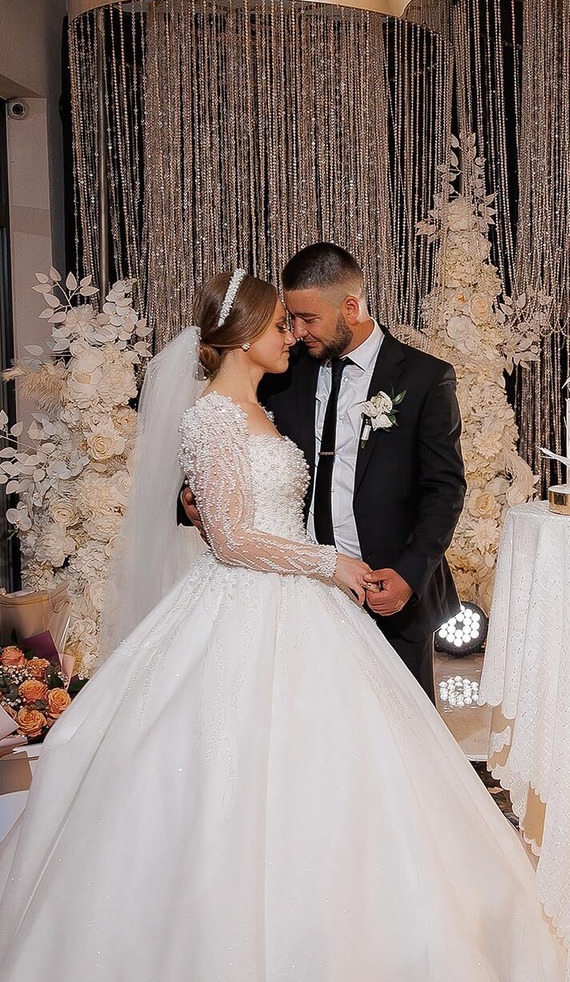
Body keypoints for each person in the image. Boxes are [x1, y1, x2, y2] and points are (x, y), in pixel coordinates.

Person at [0, 271, 562, 982]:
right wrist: (329, 564)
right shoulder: (214, 417)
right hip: (253, 608)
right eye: (279, 326)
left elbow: (388, 491)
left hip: (308, 612)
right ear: (243, 334)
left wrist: (334, 565)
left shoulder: (272, 403)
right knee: (232, 799)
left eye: (298, 323)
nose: (292, 338)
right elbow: (230, 538)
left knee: (356, 800)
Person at [182, 243, 465, 697]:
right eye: (289, 320)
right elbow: (225, 432)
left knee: (396, 727)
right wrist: (193, 495)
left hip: (388, 592)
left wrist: (409, 574)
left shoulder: (423, 378)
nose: (296, 333)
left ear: (350, 308)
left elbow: (444, 489)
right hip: (295, 593)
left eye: (307, 319)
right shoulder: (282, 371)